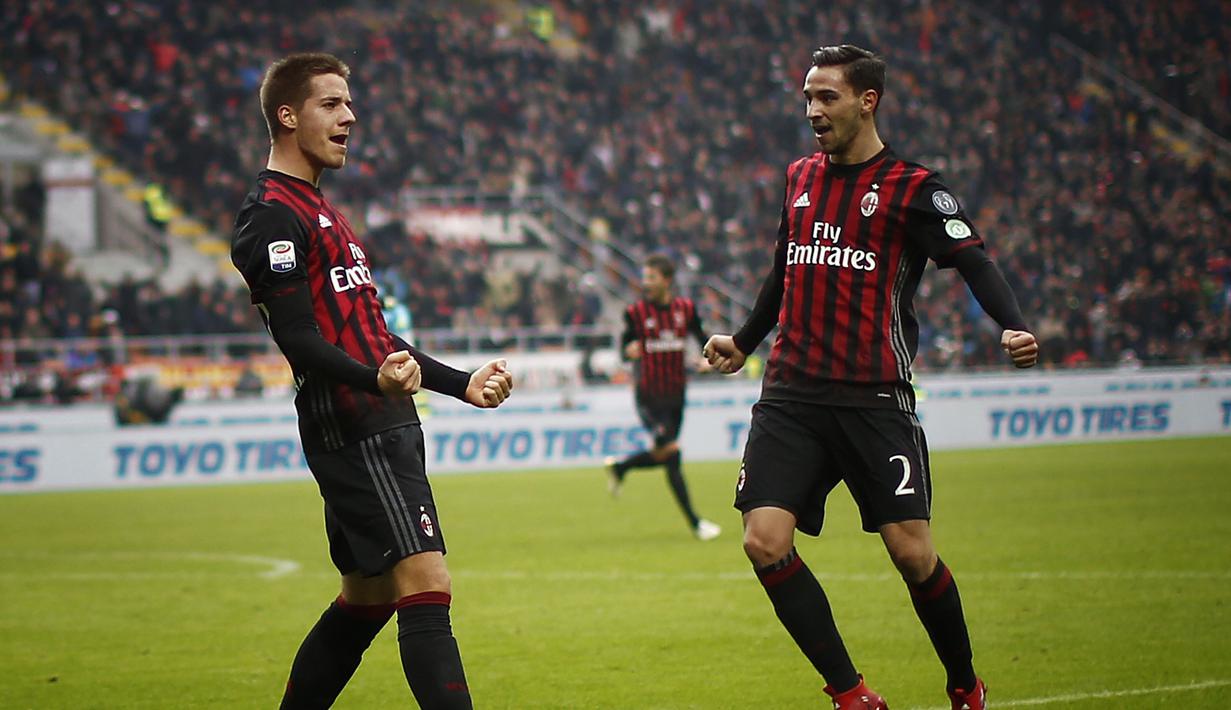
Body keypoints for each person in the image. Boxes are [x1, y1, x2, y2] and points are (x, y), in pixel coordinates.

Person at [704, 45, 1038, 710]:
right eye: (806, 97)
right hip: (790, 393)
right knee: (761, 540)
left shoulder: (915, 188)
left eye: (825, 96)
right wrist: (744, 342)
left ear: (867, 101)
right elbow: (784, 269)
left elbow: (972, 258)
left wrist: (1011, 322)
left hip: (872, 395)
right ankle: (850, 692)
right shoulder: (798, 176)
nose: (811, 111)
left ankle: (964, 684)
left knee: (911, 555)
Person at [230, 53, 514, 710]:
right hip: (355, 427)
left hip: (377, 419)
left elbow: (376, 339)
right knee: (426, 584)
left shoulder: (319, 209)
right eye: (331, 104)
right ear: (287, 115)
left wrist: (460, 382)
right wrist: (376, 383)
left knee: (368, 596)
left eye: (348, 104)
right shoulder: (271, 214)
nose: (349, 117)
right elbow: (299, 339)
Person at [605, 254, 721, 541]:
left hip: (676, 394)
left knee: (669, 456)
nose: (646, 283)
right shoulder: (635, 313)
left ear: (667, 280)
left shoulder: (686, 309)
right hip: (649, 396)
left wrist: (708, 360)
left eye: (651, 278)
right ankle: (696, 524)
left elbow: (703, 338)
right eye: (644, 277)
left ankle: (621, 467)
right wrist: (628, 352)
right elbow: (623, 349)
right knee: (672, 451)